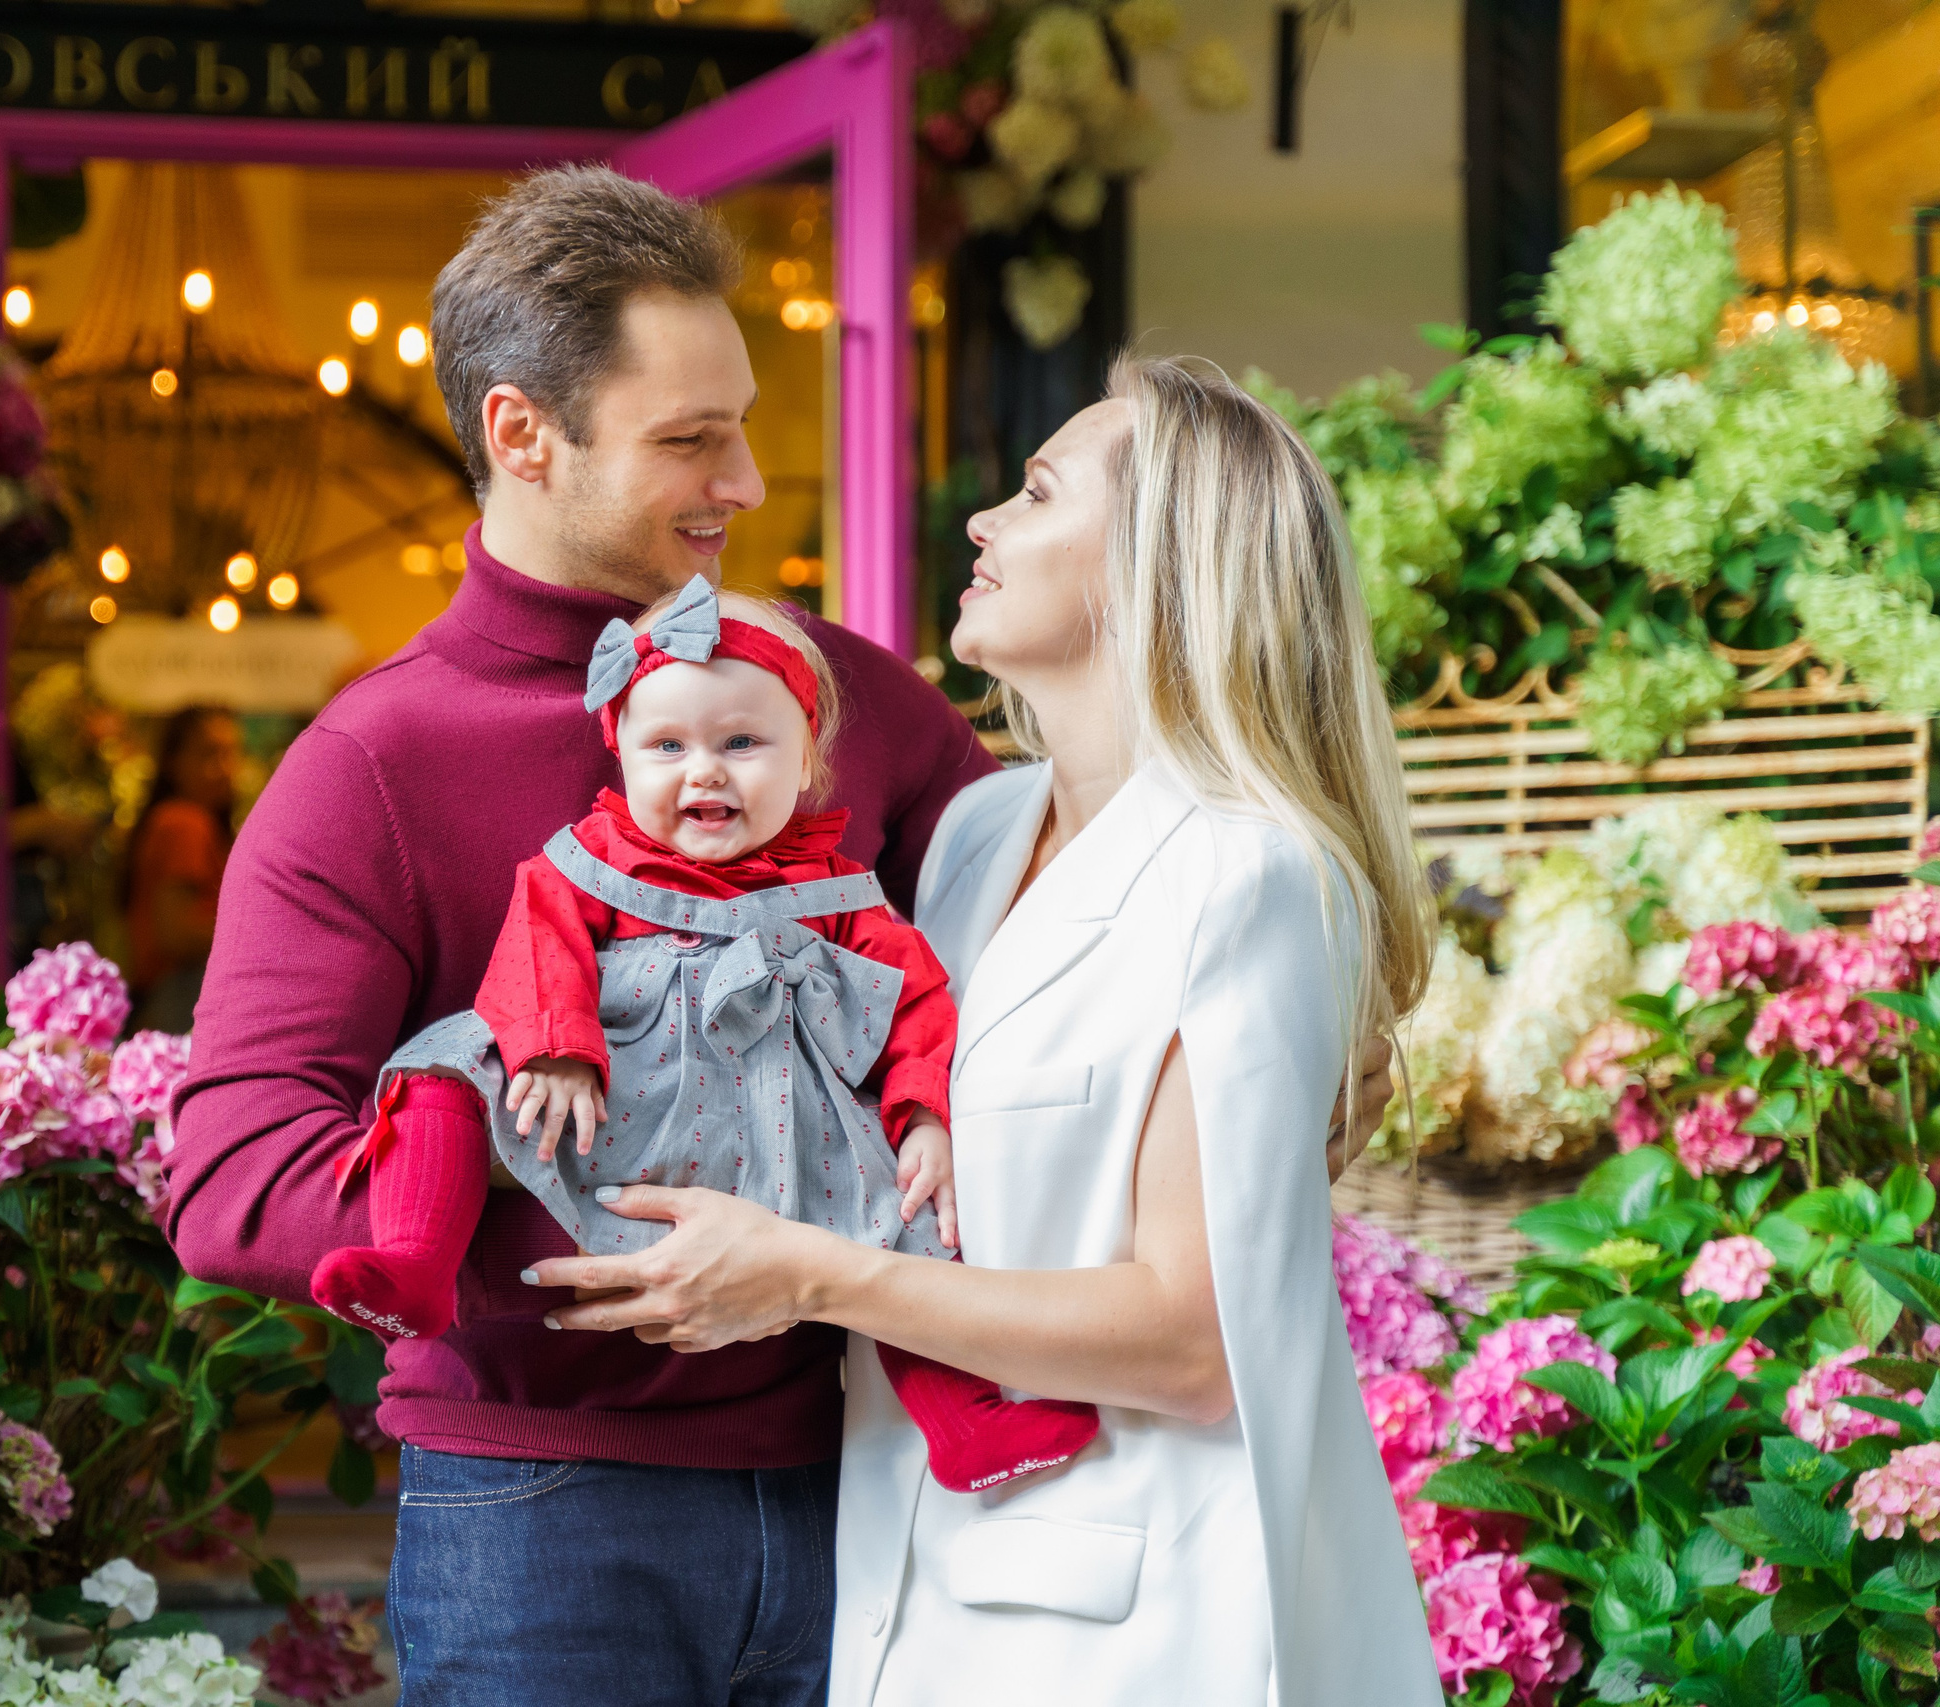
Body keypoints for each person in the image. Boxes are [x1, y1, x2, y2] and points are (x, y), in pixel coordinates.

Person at [165, 166, 1391, 1707]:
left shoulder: (855, 701)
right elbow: (231, 1177)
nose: (745, 480)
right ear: (522, 435)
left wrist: (1303, 1024)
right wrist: (582, 1191)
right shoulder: (373, 765)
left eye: (742, 423)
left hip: (881, 1493)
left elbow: (1088, 947)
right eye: (691, 438)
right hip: (544, 1514)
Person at [519, 357, 1444, 1705]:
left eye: (1039, 492)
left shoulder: (1248, 875)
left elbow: (1194, 1342)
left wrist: (806, 1275)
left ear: (1157, 566)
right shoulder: (976, 833)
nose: (983, 520)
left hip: (1130, 1624)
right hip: (915, 1587)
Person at [310, 575, 1098, 1494]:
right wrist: (557, 1045)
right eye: (668, 746)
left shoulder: (840, 893)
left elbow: (916, 999)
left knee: (904, 1214)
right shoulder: (593, 862)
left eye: (742, 743)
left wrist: (922, 1114)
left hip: (775, 1120)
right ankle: (415, 1262)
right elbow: (540, 935)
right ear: (623, 758)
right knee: (441, 1071)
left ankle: (966, 1422)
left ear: (807, 761)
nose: (705, 770)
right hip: (610, 1092)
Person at [123, 706, 240, 1033]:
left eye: (231, 754)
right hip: (179, 994)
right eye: (209, 754)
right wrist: (260, 931)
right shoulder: (184, 822)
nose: (224, 768)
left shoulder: (180, 820)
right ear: (173, 762)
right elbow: (175, 934)